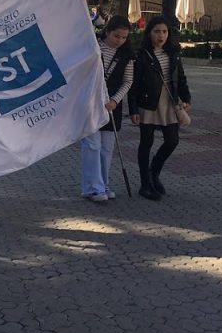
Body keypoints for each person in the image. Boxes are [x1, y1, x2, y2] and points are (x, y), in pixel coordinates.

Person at [129, 16, 191, 200]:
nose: (161, 35)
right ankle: (145, 184)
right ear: (149, 34)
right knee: (146, 144)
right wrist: (133, 110)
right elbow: (134, 85)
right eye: (157, 31)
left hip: (169, 102)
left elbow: (180, 78)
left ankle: (154, 171)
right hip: (148, 103)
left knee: (172, 141)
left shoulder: (173, 53)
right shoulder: (142, 56)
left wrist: (186, 97)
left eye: (164, 31)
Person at [80, 16, 134, 202]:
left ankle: (104, 184)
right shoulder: (93, 47)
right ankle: (92, 188)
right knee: (92, 146)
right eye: (116, 36)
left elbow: (128, 81)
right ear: (107, 31)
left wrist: (115, 100)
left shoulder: (126, 55)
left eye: (124, 37)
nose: (119, 41)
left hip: (112, 107)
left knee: (106, 149)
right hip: (91, 105)